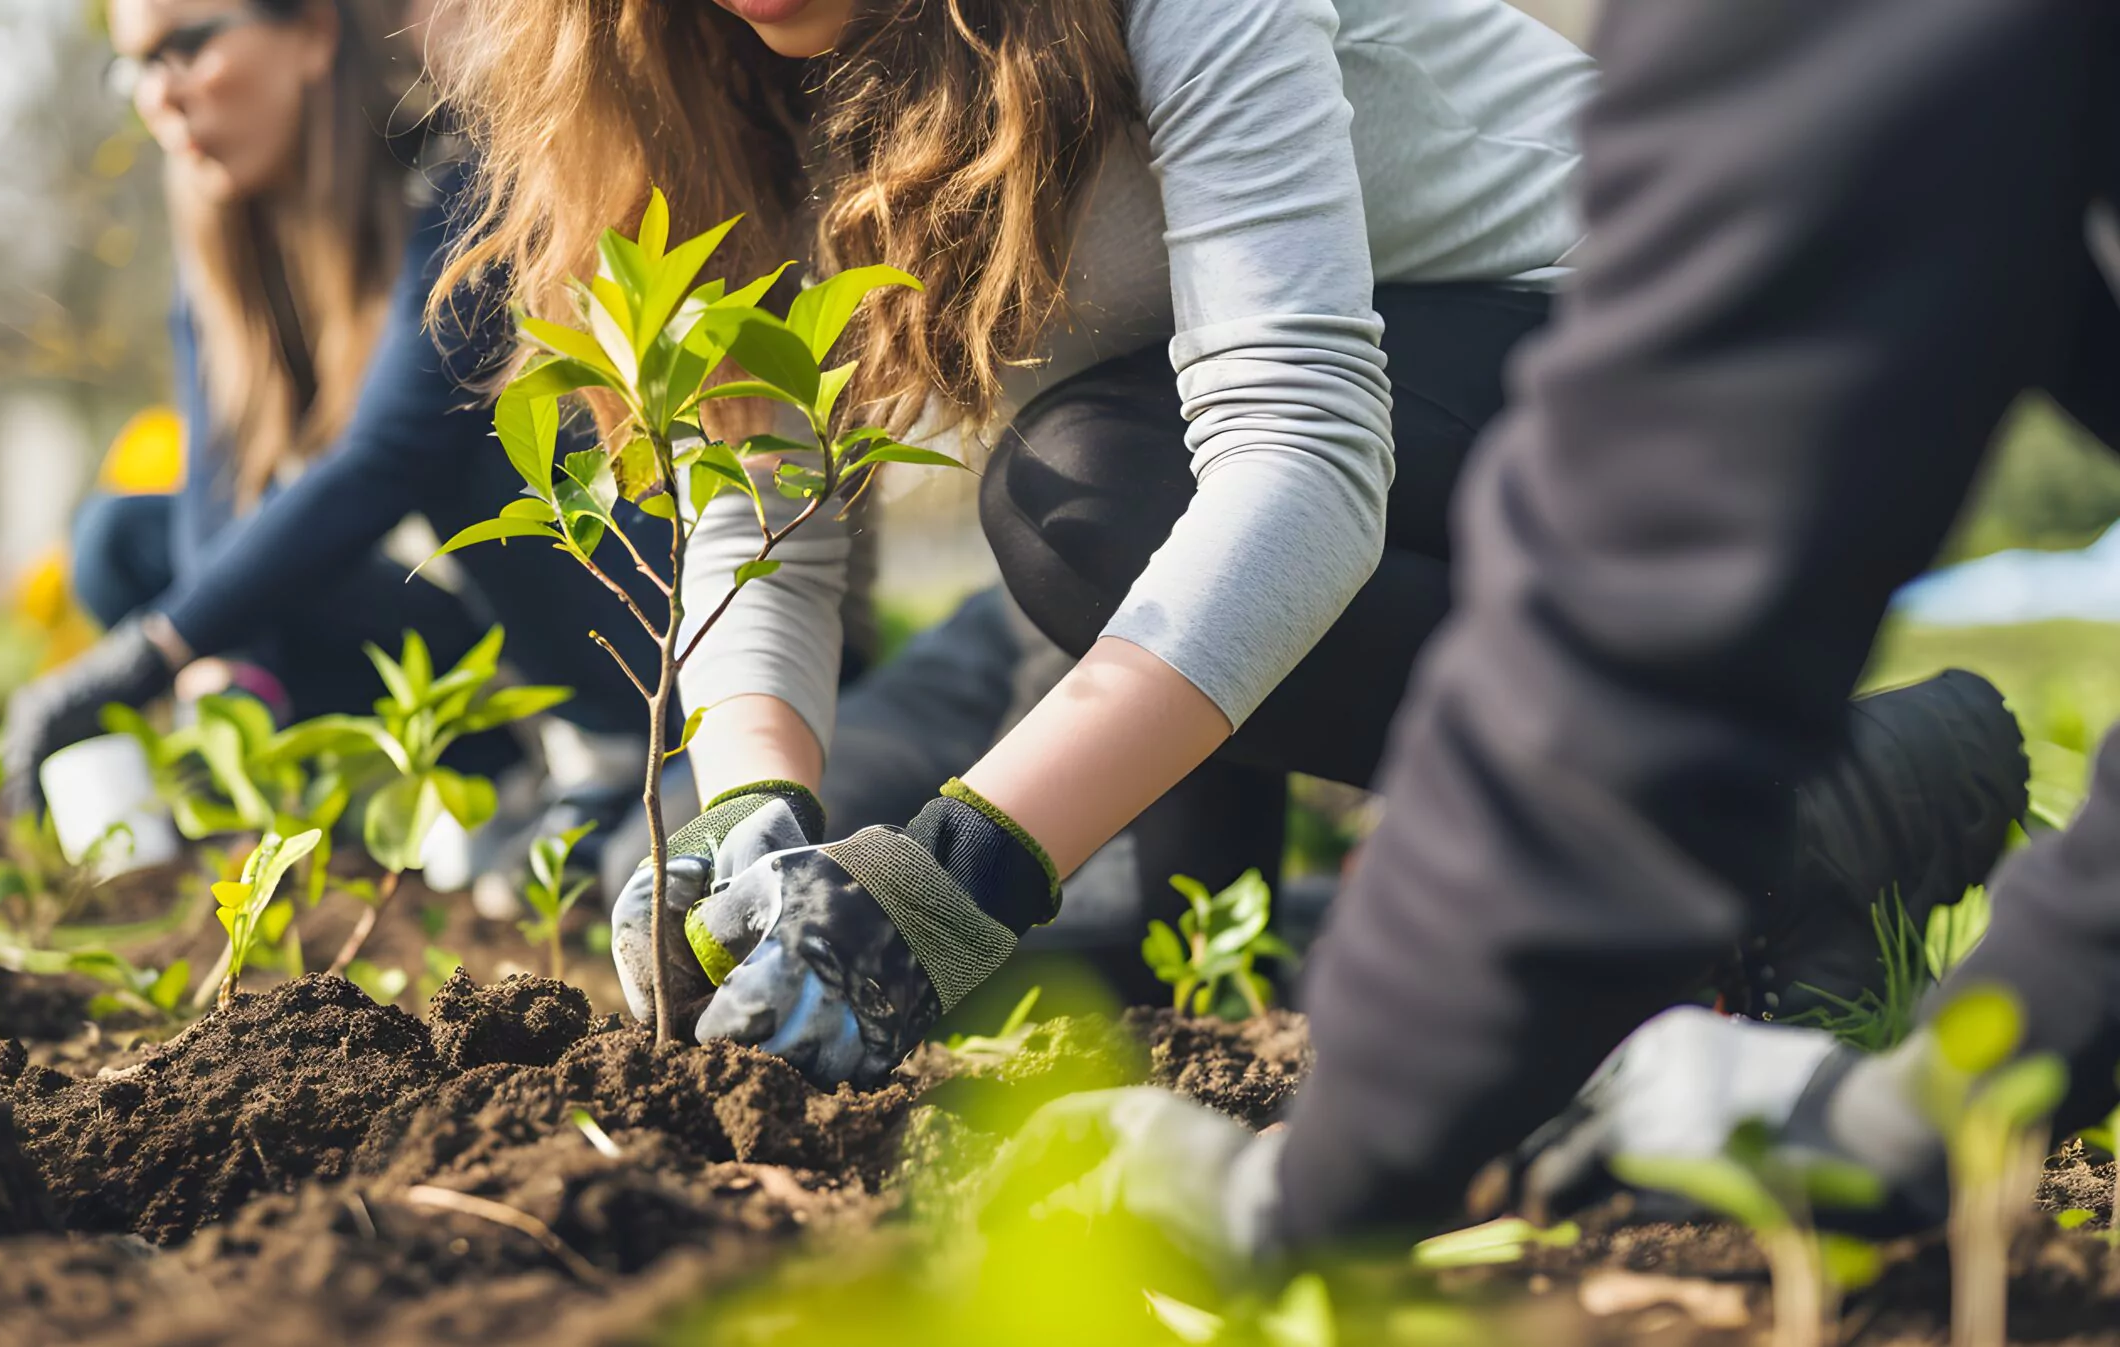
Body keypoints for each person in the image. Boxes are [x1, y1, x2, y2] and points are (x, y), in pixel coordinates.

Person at [436, 0, 2031, 1080]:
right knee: (1146, 963)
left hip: (1696, 373)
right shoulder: (695, 69)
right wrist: (752, 813)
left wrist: (956, 869)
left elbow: (1299, 463)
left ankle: (1780, 811)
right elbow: (757, 497)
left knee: (1075, 500)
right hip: (1299, 462)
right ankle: (1713, 883)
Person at [992, 0, 2120, 1262]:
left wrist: (1330, 1176)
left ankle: (1809, 823)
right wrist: (1947, 1106)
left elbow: (1659, 576)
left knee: (1088, 484)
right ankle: (1801, 835)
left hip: (1523, 346)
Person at [0, 0, 671, 824]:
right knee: (119, 541)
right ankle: (470, 779)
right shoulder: (220, 248)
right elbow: (219, 484)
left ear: (314, 33)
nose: (157, 96)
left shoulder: (467, 182)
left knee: (466, 442)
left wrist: (153, 651)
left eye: (189, 45)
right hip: (461, 637)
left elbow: (388, 458)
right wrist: (220, 667)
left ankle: (604, 756)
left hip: (606, 625)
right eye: (136, 66)